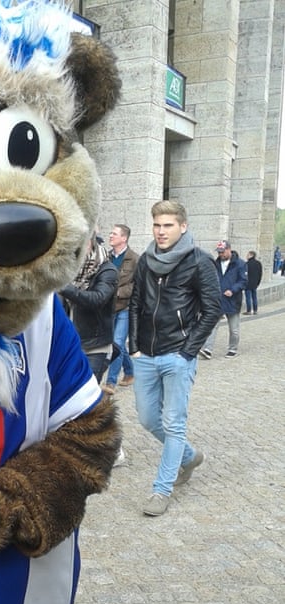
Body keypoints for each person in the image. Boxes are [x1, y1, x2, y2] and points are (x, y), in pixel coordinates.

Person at [129, 199, 221, 517]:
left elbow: (213, 309)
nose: (161, 231)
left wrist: (187, 352)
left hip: (177, 355)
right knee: (147, 418)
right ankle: (190, 456)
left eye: (168, 225)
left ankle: (161, 490)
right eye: (157, 224)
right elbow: (136, 303)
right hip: (145, 355)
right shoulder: (145, 261)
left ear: (183, 227)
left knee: (173, 423)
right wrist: (133, 346)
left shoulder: (200, 262)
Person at [59, 233, 118, 383]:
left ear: (90, 243)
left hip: (94, 347)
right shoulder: (69, 270)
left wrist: (64, 287)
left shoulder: (107, 270)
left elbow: (97, 299)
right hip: (69, 344)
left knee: (85, 396)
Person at [103, 223, 139, 394]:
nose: (110, 236)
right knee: (115, 343)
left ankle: (110, 382)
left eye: (114, 233)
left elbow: (138, 285)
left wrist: (118, 292)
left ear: (124, 238)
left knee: (117, 343)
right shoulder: (106, 257)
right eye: (111, 233)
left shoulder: (134, 258)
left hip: (125, 307)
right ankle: (130, 372)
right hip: (108, 308)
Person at [199, 240, 247, 359]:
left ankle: (232, 348)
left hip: (232, 300)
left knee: (234, 328)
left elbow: (243, 281)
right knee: (212, 325)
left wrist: (233, 289)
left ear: (229, 249)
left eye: (223, 252)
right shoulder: (215, 264)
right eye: (219, 252)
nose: (221, 254)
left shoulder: (240, 264)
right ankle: (208, 349)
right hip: (218, 299)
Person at [243, 250, 262, 315]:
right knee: (254, 297)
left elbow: (244, 274)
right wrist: (258, 283)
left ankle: (249, 310)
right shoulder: (258, 263)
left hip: (248, 283)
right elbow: (260, 274)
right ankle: (255, 310)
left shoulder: (247, 264)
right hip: (255, 283)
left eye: (248, 255)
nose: (246, 256)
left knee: (248, 297)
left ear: (251, 255)